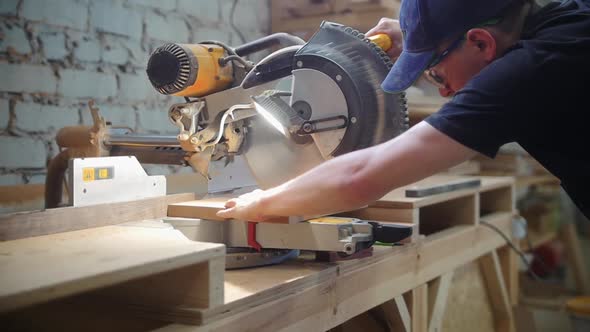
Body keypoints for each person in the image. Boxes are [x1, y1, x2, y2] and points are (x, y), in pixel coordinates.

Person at [217, 0, 590, 221]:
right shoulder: (568, 20)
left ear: (480, 41)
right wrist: (422, 37)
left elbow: (361, 178)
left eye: (435, 71)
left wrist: (263, 201)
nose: (443, 89)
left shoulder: (529, 71)